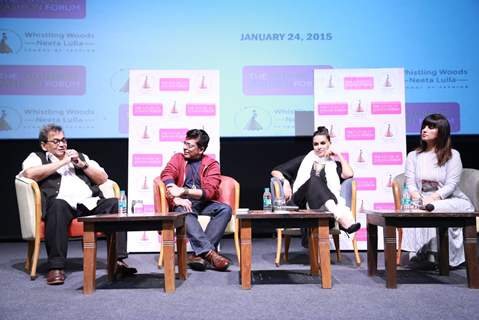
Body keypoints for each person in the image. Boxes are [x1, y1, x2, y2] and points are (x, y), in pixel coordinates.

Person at [20, 124, 136, 285]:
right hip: (62, 204)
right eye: (55, 141)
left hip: (89, 203)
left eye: (63, 140)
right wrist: (62, 162)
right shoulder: (36, 157)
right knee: (57, 206)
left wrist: (83, 165)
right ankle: (56, 267)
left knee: (115, 205)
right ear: (44, 145)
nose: (62, 144)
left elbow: (103, 178)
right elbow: (29, 174)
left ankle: (118, 261)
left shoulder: (80, 156)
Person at [402, 114, 474, 267]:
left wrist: (433, 198)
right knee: (417, 208)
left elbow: (451, 185)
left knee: (433, 208)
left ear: (441, 132)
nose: (425, 130)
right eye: (424, 126)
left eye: (431, 127)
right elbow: (410, 183)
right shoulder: (413, 156)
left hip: (450, 200)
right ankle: (426, 255)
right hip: (421, 199)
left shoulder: (453, 155)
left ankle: (442, 257)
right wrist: (416, 197)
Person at [160, 129, 232, 271]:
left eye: (190, 145)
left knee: (225, 209)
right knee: (185, 210)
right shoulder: (178, 158)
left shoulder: (211, 164)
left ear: (201, 149)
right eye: (185, 143)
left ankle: (199, 254)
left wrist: (184, 191)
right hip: (183, 203)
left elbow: (210, 192)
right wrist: (175, 195)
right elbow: (167, 173)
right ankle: (209, 254)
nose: (185, 148)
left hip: (203, 202)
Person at [271, 126, 361, 233]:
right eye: (316, 144)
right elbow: (275, 171)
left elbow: (349, 174)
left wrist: (339, 155)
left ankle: (334, 216)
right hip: (300, 203)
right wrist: (285, 182)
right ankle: (341, 218)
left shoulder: (334, 165)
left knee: (316, 181)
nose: (319, 147)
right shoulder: (305, 159)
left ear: (329, 144)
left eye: (323, 143)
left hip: (322, 206)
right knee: (314, 179)